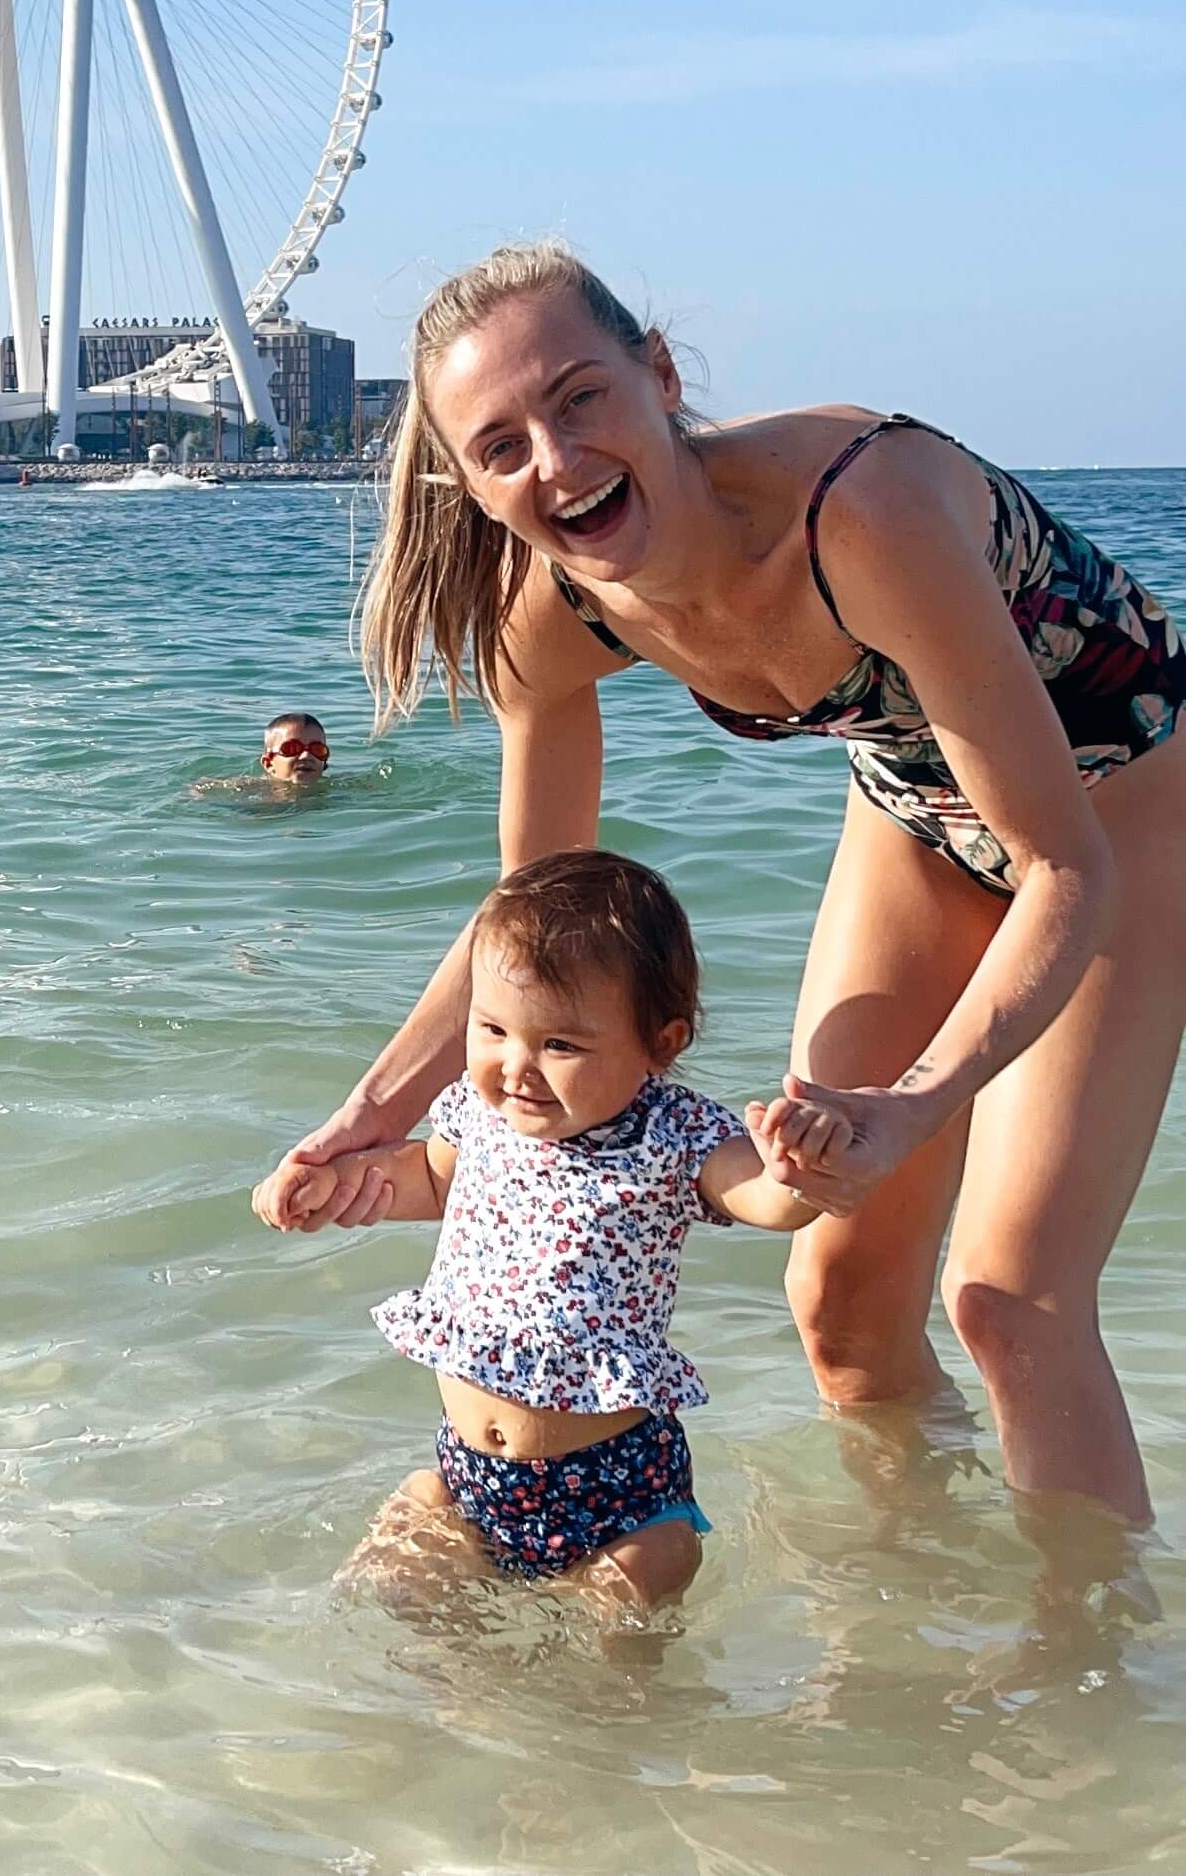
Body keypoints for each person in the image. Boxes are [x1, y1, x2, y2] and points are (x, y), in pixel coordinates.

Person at [267, 240, 1186, 1528]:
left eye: (582, 398)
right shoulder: (553, 617)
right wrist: (368, 1113)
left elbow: (1061, 866)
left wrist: (919, 1105)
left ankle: (1082, 1677)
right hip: (919, 815)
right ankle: (905, 1617)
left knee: (1010, 1296)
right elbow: (526, 936)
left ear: (658, 375)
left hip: (1128, 810)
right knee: (840, 1301)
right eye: (503, 445)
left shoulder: (861, 513)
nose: (559, 461)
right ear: (471, 488)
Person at [255, 852, 819, 1603]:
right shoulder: (482, 1113)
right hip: (470, 1478)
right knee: (394, 1610)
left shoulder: (672, 1133)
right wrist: (334, 1183)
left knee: (626, 1622)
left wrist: (797, 1170)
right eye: (492, 1029)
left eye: (560, 1044)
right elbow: (430, 1175)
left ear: (663, 1043)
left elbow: (765, 1200)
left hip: (618, 1490)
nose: (516, 1065)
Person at [260, 711, 330, 784]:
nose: (306, 756)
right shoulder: (253, 792)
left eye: (317, 749)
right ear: (268, 764)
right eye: (292, 748)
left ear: (324, 762)